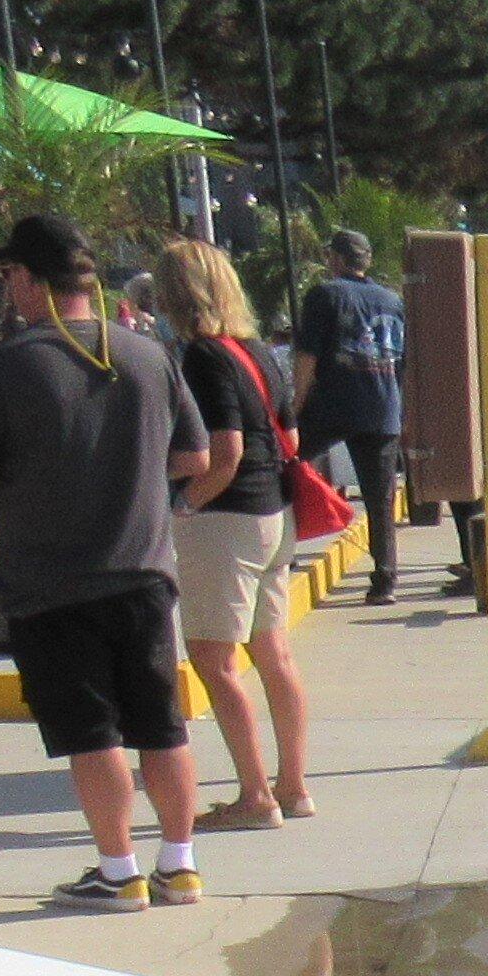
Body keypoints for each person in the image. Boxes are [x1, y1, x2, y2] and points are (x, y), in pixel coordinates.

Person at [0, 212, 203, 911]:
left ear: (29, 279)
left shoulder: (9, 364)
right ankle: (180, 863)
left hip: (52, 581)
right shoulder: (148, 353)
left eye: (9, 276)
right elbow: (196, 456)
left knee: (94, 733)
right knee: (160, 724)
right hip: (145, 570)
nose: (6, 290)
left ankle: (119, 871)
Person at [154, 235, 316, 830]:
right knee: (273, 652)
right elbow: (290, 441)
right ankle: (292, 784)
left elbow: (224, 451)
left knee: (213, 659)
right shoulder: (257, 351)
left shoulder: (202, 357)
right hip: (276, 513)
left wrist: (184, 505)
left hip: (225, 520)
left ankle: (254, 796)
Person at [288, 227, 408, 601]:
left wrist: (294, 409)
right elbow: (402, 359)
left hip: (333, 403)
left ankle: (283, 551)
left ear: (336, 260)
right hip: (383, 405)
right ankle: (385, 578)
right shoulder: (393, 301)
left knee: (285, 464)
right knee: (380, 497)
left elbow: (307, 357)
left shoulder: (325, 296)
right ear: (366, 261)